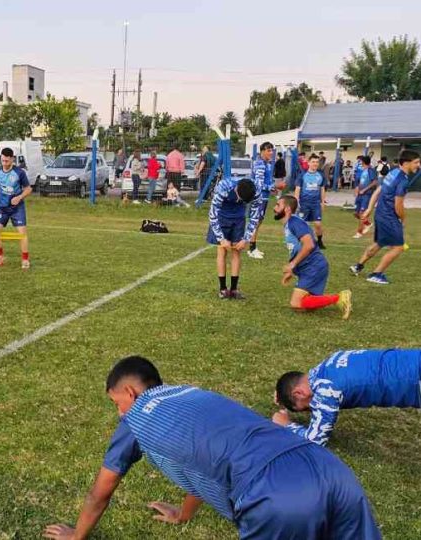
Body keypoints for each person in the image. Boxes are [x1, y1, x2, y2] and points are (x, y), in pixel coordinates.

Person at [43, 356, 380, 540]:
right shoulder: (191, 394)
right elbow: (203, 464)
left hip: (275, 494)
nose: (118, 413)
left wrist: (77, 535)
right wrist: (183, 512)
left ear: (130, 394)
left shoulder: (136, 418)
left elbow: (100, 492)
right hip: (329, 468)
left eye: (116, 403)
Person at [273, 348, 421, 447]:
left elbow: (315, 440)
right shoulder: (333, 359)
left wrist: (286, 425)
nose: (312, 410)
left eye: (306, 407)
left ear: (299, 393)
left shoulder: (326, 390)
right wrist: (283, 392)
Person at [273, 195, 351, 319]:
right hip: (310, 268)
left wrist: (292, 265)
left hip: (313, 268)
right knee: (306, 306)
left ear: (287, 209)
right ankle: (323, 300)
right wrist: (291, 271)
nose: (274, 208)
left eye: (278, 205)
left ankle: (340, 297)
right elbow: (297, 249)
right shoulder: (290, 223)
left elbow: (308, 245)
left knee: (296, 304)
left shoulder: (294, 222)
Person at [349, 149, 421, 284]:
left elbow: (377, 191)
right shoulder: (402, 180)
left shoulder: (393, 173)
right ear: (406, 163)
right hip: (389, 217)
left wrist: (370, 208)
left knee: (379, 243)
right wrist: (403, 219)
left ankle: (357, 266)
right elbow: (398, 205)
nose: (418, 165)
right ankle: (376, 274)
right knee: (398, 247)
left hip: (380, 215)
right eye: (416, 162)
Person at [207, 177, 262, 299]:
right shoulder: (223, 187)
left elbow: (254, 216)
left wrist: (246, 238)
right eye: (239, 198)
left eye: (242, 201)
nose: (238, 200)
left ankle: (234, 289)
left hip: (238, 218)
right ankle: (222, 289)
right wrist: (221, 238)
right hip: (222, 216)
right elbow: (212, 214)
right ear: (236, 189)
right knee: (222, 250)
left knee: (237, 251)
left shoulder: (257, 191)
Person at [0, 147, 32, 269]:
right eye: (3, 161)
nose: (5, 163)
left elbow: (28, 189)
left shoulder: (19, 173)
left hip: (17, 209)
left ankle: (25, 259)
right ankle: (0, 257)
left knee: (22, 234)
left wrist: (19, 197)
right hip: (1, 208)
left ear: (12, 159)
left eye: (7, 161)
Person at [247, 142, 275, 260]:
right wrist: (272, 187)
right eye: (268, 150)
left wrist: (271, 186)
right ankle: (252, 249)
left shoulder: (267, 164)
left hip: (264, 197)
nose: (271, 153)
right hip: (258, 198)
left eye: (271, 150)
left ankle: (253, 246)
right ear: (262, 151)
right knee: (255, 222)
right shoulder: (260, 164)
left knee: (258, 222)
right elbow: (258, 184)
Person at [294, 153, 327, 249]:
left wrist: (323, 202)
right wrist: (296, 202)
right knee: (302, 224)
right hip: (304, 203)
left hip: (315, 204)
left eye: (317, 162)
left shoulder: (320, 175)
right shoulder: (303, 175)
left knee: (318, 224)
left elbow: (322, 189)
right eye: (313, 162)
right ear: (308, 163)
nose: (315, 164)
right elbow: (297, 189)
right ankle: (301, 241)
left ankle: (319, 241)